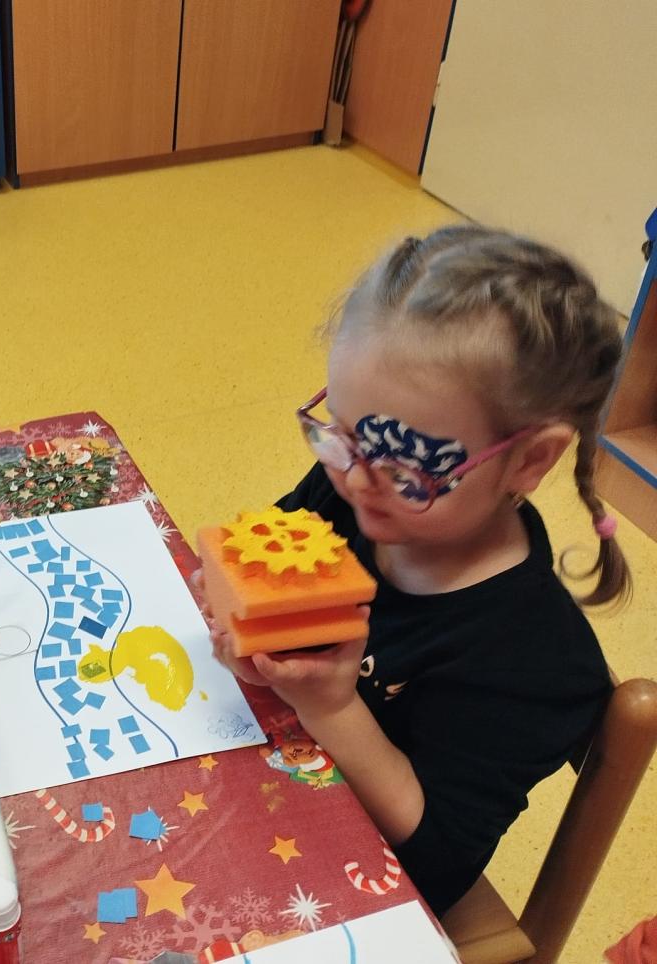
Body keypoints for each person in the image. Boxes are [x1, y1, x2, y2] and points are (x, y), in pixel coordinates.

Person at [206, 224, 629, 913]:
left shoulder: (539, 663)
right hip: (252, 788)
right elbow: (263, 579)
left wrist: (331, 705)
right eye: (341, 435)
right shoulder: (351, 495)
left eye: (404, 466)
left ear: (529, 460)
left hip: (348, 892)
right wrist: (245, 627)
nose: (355, 479)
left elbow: (437, 867)